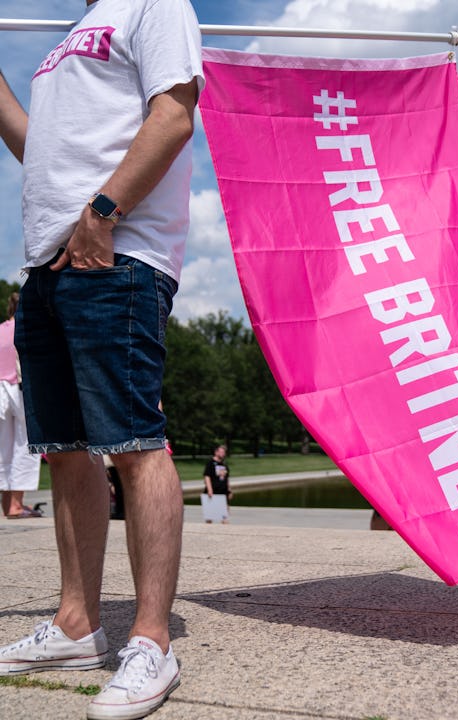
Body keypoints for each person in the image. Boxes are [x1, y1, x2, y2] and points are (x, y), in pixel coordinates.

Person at [0, 2, 203, 718]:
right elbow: (44, 156)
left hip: (116, 255)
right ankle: (75, 625)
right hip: (50, 263)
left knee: (134, 445)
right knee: (64, 451)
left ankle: (152, 641)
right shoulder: (62, 42)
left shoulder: (153, 3)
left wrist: (104, 212)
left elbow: (174, 115)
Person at [0, 292, 42, 519]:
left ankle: (7, 506)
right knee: (26, 444)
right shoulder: (26, 328)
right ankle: (16, 505)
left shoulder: (1, 330)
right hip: (19, 388)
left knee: (3, 448)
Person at [203, 444, 232, 523]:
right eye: (221, 452)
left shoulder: (224, 464)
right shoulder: (210, 463)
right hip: (213, 491)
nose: (223, 454)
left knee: (225, 515)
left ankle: (225, 530)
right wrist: (209, 489)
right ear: (216, 452)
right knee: (210, 516)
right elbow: (207, 477)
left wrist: (229, 490)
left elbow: (227, 478)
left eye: (224, 452)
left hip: (223, 491)